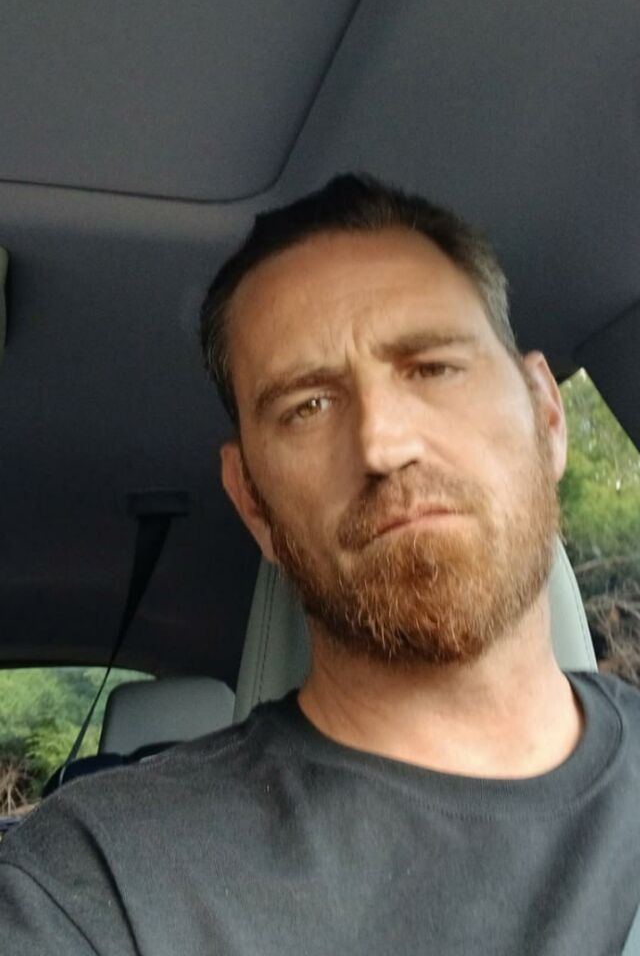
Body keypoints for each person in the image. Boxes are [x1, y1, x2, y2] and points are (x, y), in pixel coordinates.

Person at [1, 174, 639, 955]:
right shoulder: (96, 884)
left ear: (546, 413)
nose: (383, 444)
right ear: (252, 502)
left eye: (433, 366)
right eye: (308, 406)